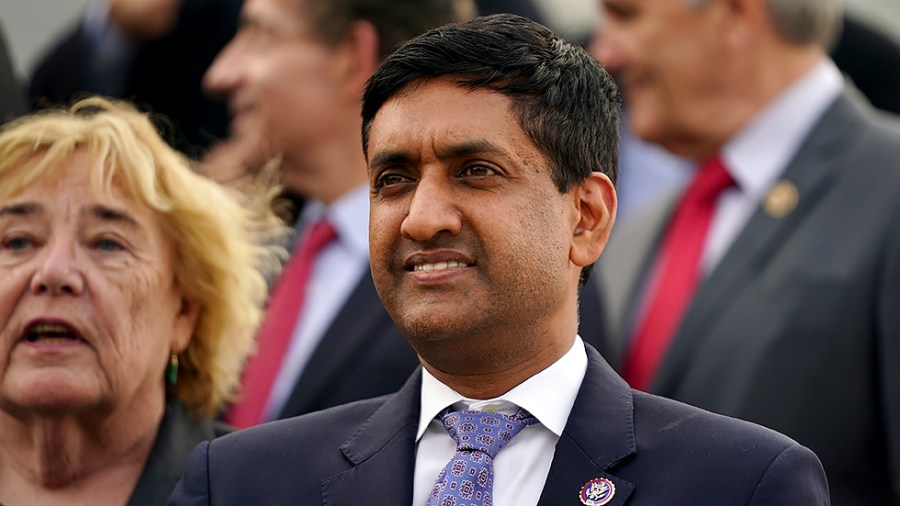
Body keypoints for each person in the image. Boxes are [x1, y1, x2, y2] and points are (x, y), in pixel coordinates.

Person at [170, 14, 829, 505]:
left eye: (476, 171)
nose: (423, 218)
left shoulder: (742, 485)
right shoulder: (239, 482)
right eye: (394, 179)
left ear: (587, 217)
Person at [588, 0, 900, 504]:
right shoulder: (644, 227)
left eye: (626, 16)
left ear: (734, 14)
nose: (604, 52)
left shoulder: (888, 191)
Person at [197, 0, 484, 429]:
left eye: (260, 35)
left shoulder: (484, 275)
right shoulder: (258, 251)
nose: (220, 75)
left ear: (353, 57)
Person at [0, 97, 277, 505]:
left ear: (184, 312)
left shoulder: (270, 490)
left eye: (107, 244)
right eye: (18, 241)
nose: (54, 273)